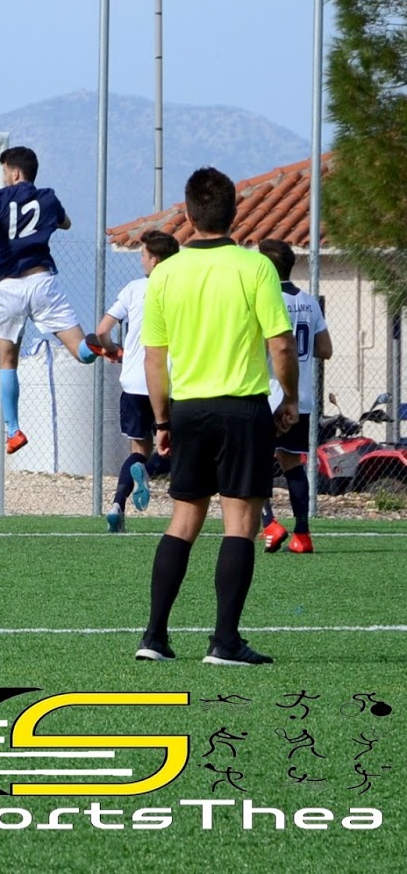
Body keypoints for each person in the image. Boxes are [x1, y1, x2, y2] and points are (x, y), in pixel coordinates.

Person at [136, 167, 297, 666]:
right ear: (235, 211)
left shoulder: (165, 273)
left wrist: (162, 422)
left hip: (188, 410)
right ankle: (224, 642)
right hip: (242, 408)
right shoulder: (256, 268)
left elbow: (154, 358)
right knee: (240, 523)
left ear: (188, 214)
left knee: (184, 519)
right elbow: (281, 345)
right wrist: (290, 398)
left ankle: (154, 637)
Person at [0, 146, 99, 455]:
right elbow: (66, 223)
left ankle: (14, 431)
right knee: (81, 352)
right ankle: (96, 345)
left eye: (6, 172)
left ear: (15, 172)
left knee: (7, 362)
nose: (5, 177)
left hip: (9, 287)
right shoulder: (48, 198)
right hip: (43, 281)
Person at [88, 229, 179, 532]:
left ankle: (117, 505)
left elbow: (102, 330)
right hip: (169, 382)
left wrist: (112, 349)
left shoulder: (134, 289)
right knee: (176, 450)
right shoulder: (183, 290)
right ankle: (148, 472)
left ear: (155, 260)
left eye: (143, 255)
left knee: (138, 449)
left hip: (134, 383)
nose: (140, 260)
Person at [255, 238, 332, 555]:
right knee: (292, 464)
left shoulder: (265, 301)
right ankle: (302, 534)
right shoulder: (310, 302)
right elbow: (325, 349)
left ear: (265, 268)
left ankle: (270, 524)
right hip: (301, 398)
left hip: (269, 395)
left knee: (254, 463)